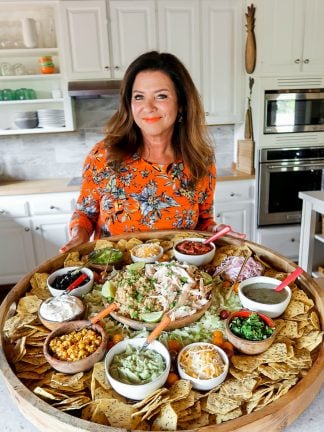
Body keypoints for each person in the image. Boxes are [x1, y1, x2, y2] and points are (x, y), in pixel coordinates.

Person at [60, 51, 225, 254]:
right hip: (114, 278)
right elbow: (85, 213)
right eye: (139, 97)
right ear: (130, 105)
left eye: (161, 96)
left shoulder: (200, 161)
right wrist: (79, 236)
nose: (148, 107)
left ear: (181, 104)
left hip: (179, 277)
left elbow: (203, 221)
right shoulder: (104, 155)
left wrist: (215, 230)